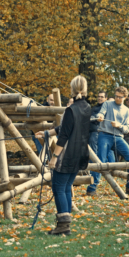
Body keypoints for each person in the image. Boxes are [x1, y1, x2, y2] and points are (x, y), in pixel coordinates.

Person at [35, 75, 90, 235]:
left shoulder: (71, 109)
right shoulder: (86, 107)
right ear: (85, 89)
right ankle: (65, 226)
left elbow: (64, 135)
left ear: (72, 90)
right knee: (66, 187)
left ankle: (63, 226)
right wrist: (47, 132)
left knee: (59, 187)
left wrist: (54, 158)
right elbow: (66, 128)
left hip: (67, 154)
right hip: (80, 153)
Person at [86, 87, 129, 195]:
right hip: (104, 135)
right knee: (100, 159)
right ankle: (92, 188)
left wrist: (119, 125)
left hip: (118, 138)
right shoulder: (107, 104)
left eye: (120, 97)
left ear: (124, 98)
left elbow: (126, 129)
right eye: (116, 96)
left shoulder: (127, 110)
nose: (117, 98)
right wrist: (100, 116)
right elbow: (101, 113)